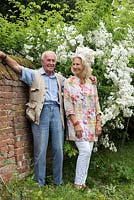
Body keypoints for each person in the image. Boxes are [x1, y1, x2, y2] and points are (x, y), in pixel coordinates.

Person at [0, 50, 65, 187]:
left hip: (57, 113)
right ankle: (39, 183)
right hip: (40, 113)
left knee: (58, 148)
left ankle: (58, 182)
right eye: (48, 60)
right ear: (43, 62)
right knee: (40, 149)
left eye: (53, 61)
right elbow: (17, 68)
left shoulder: (60, 78)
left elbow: (74, 84)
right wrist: (4, 56)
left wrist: (90, 79)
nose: (51, 63)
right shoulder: (34, 74)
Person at [64, 47, 102, 191]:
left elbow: (96, 102)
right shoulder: (69, 82)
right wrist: (76, 124)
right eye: (73, 64)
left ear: (84, 66)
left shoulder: (91, 82)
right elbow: (68, 105)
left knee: (88, 152)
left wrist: (99, 122)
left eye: (77, 64)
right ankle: (77, 184)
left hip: (91, 123)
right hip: (77, 123)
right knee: (85, 150)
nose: (75, 67)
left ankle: (82, 183)